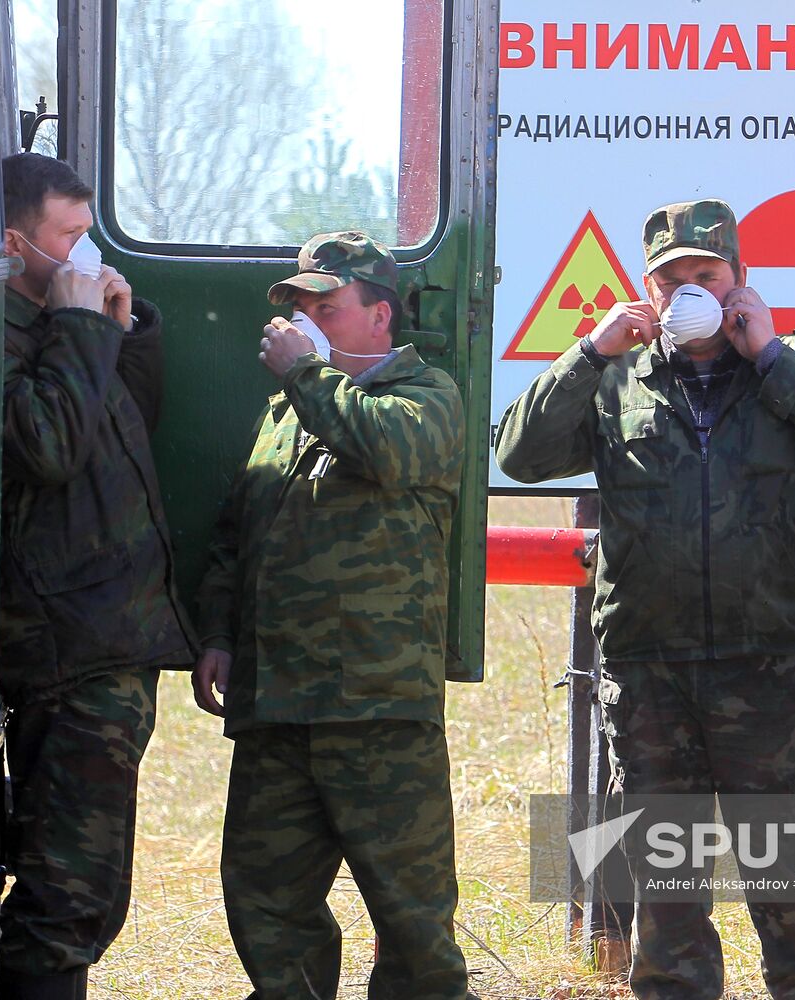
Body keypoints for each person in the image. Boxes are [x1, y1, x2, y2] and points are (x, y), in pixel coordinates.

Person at [495, 199, 795, 1000]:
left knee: (794, 885)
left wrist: (770, 355)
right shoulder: (614, 379)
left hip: (766, 671)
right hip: (650, 676)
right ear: (646, 287)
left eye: (704, 275)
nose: (688, 290)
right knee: (666, 900)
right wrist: (590, 351)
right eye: (670, 277)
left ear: (739, 278)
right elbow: (520, 453)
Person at [191, 232, 469, 1000]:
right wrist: (217, 635)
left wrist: (305, 372)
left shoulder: (426, 397)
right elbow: (236, 536)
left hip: (377, 709)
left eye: (326, 307)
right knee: (268, 910)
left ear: (380, 316)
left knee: (414, 924)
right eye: (298, 309)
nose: (306, 323)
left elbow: (385, 451)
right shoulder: (286, 412)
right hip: (277, 708)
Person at [0, 153, 196, 999]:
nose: (84, 252)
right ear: (15, 246)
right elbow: (50, 447)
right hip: (68, 651)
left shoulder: (62, 326)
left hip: (108, 642)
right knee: (65, 899)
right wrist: (79, 330)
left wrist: (120, 329)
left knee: (93, 893)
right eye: (69, 236)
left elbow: (123, 422)